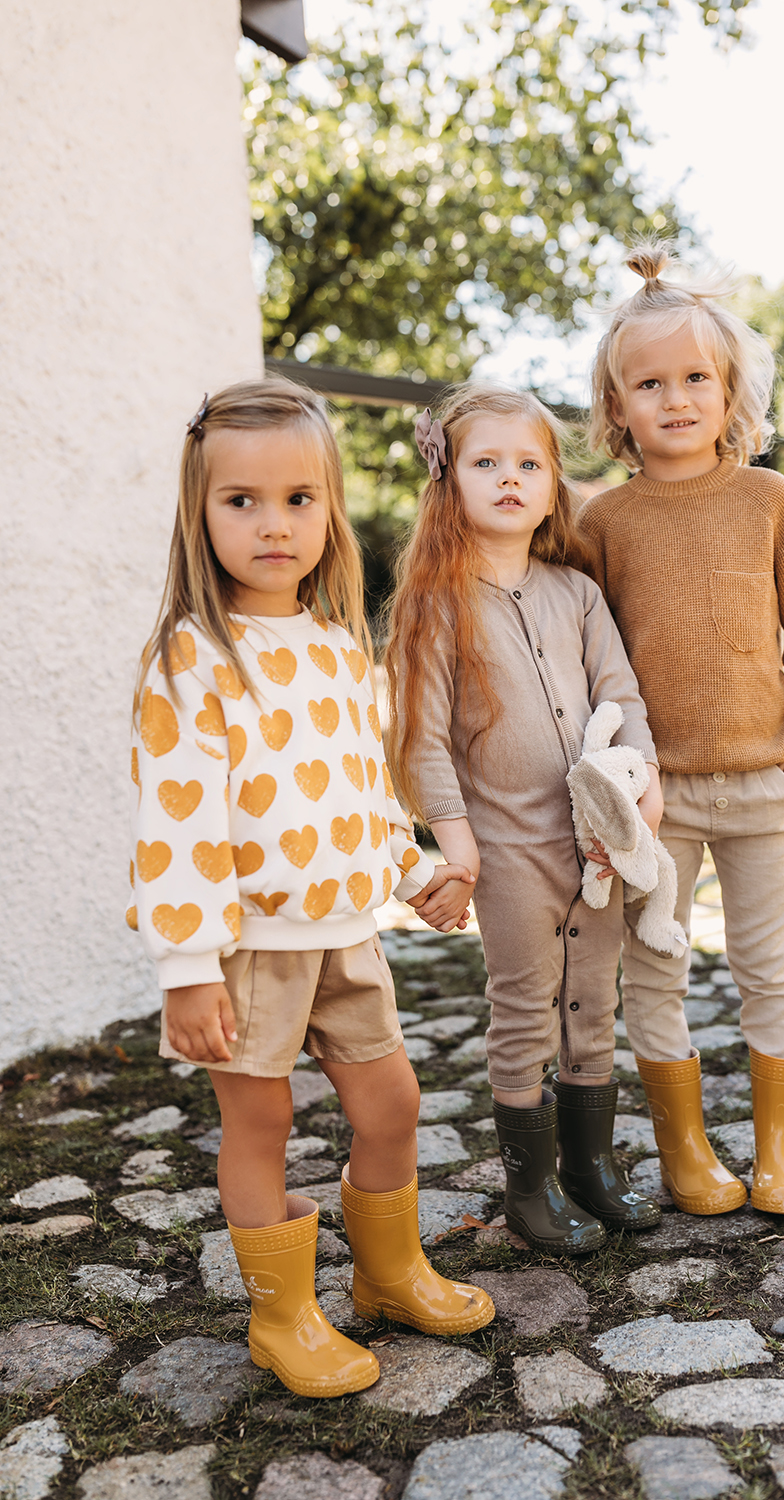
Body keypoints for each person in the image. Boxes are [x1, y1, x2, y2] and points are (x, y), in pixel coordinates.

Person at [128, 378, 494, 1399]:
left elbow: (356, 790)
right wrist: (187, 966)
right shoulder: (193, 660)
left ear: (329, 508)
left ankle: (388, 1274)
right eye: (241, 501)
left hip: (346, 935)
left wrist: (412, 869)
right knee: (263, 1125)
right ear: (200, 514)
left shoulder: (338, 644)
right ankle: (282, 1317)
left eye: (298, 499)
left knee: (393, 1102)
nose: (273, 525)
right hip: (248, 946)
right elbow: (177, 825)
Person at [579, 244, 784, 1216]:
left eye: (696, 377)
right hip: (654, 800)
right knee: (654, 973)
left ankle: (779, 1154)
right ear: (617, 406)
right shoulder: (603, 523)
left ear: (730, 389)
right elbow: (583, 656)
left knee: (768, 969)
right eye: (649, 383)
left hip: (764, 788)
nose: (676, 398)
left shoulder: (766, 501)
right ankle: (686, 1155)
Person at [384, 383, 663, 1256]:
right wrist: (457, 844)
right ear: (448, 480)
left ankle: (592, 1166)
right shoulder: (435, 603)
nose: (510, 478)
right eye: (486, 462)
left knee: (593, 997)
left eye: (529, 464)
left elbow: (620, 692)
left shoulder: (576, 593)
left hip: (597, 840)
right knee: (524, 1008)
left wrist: (645, 780)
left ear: (552, 486)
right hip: (506, 850)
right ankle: (530, 1187)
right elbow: (422, 740)